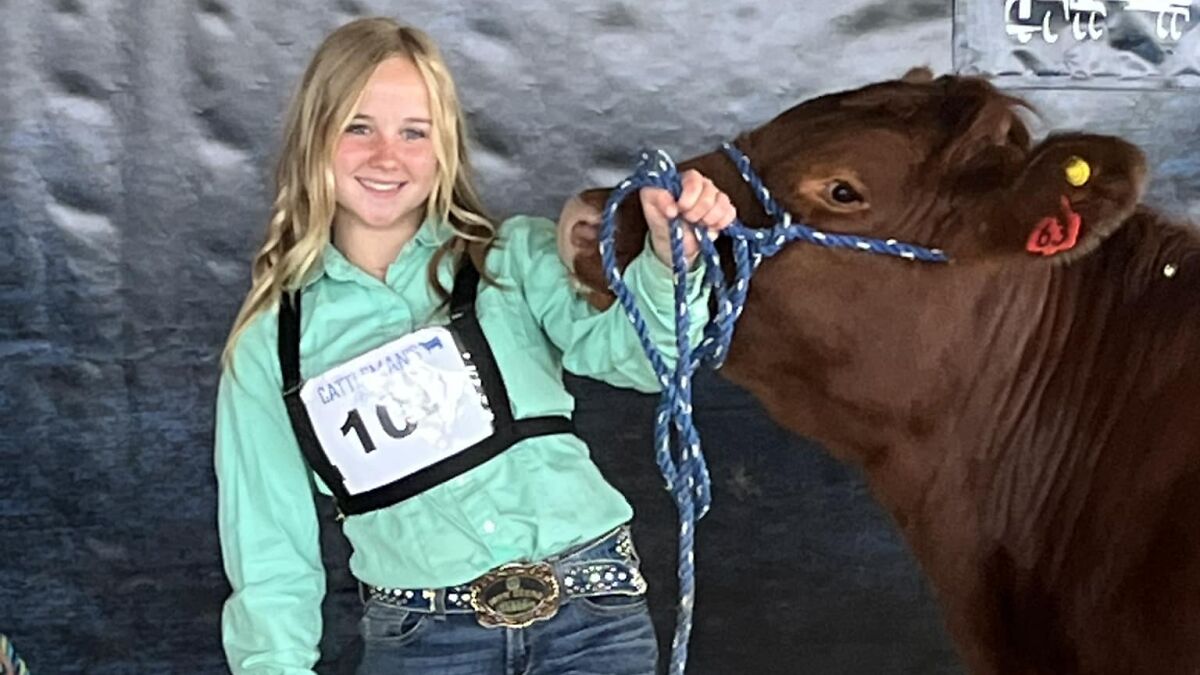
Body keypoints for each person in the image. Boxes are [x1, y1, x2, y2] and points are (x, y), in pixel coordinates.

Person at [214, 16, 735, 675]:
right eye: (357, 126)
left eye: (414, 132)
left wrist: (670, 261)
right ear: (313, 137)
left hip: (589, 613)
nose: (386, 156)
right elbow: (269, 552)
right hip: (422, 642)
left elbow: (639, 361)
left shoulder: (512, 259)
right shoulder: (270, 346)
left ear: (445, 148)